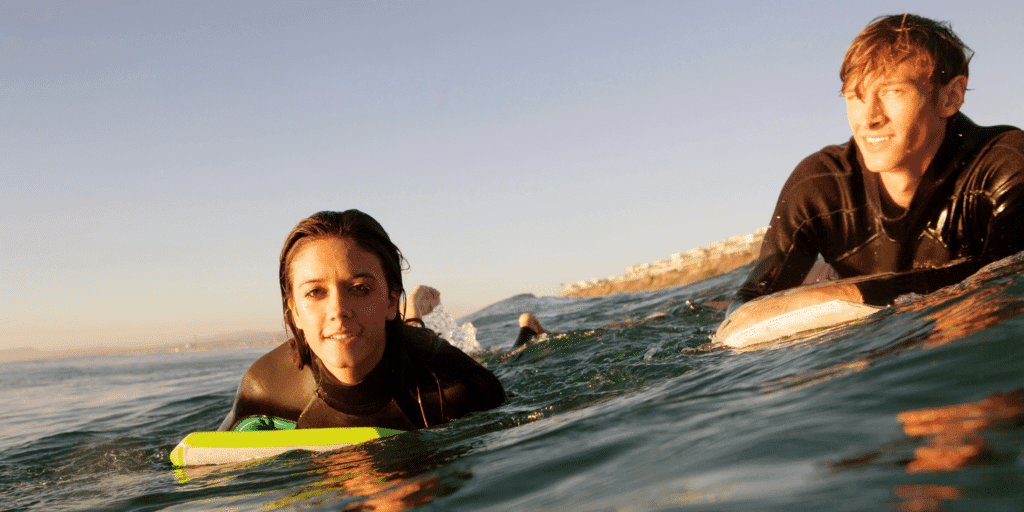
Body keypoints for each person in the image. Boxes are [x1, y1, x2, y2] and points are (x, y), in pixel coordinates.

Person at [717, 13, 1024, 340]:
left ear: (951, 96)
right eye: (855, 96)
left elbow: (1011, 277)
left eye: (892, 92)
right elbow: (743, 312)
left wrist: (843, 296)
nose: (868, 119)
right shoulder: (821, 187)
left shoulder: (1005, 164)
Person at [218, 210, 506, 432]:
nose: (338, 310)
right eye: (315, 292)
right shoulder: (265, 390)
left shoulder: (456, 386)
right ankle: (411, 312)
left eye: (360, 289)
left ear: (391, 300)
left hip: (410, 348)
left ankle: (417, 313)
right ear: (294, 311)